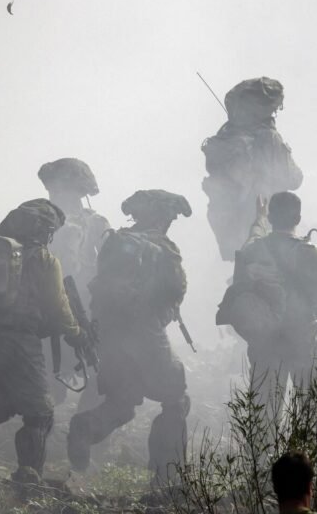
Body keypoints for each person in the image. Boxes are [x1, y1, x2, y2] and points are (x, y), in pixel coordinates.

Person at [0, 199, 85, 483]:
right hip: (21, 343)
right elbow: (59, 306)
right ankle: (28, 481)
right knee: (40, 414)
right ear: (44, 229)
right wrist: (76, 334)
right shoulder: (44, 259)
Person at [67, 189, 192, 483]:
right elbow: (176, 290)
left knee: (122, 401)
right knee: (176, 399)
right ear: (161, 217)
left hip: (108, 335)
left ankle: (85, 427)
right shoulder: (163, 248)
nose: (171, 222)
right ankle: (167, 479)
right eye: (170, 217)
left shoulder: (116, 242)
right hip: (146, 335)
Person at [236, 192, 317, 414]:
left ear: (272, 218)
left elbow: (254, 235)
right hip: (305, 345)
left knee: (263, 418)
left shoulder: (253, 249)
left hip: (265, 343)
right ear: (298, 218)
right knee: (312, 417)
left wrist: (260, 218)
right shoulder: (310, 253)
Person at [202, 77, 303, 261]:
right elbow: (294, 179)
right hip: (265, 225)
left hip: (232, 228)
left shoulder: (226, 136)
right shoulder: (269, 137)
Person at [37, 158, 110, 405]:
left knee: (90, 376)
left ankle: (80, 424)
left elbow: (111, 262)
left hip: (74, 306)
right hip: (64, 308)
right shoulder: (45, 220)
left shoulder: (92, 221)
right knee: (55, 382)